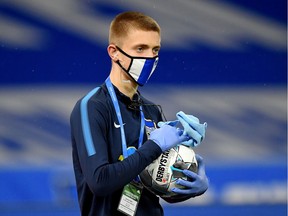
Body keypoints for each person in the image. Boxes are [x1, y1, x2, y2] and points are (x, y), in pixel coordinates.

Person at [70, 11, 209, 216]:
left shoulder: (152, 111)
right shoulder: (91, 107)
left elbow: (157, 187)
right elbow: (100, 182)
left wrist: (189, 182)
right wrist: (154, 146)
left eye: (155, 50)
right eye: (140, 49)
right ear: (113, 52)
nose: (149, 57)